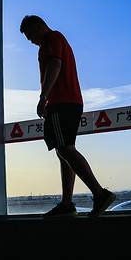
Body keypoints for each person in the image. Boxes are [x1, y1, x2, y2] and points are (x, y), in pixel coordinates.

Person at [20, 15, 116, 217]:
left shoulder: (51, 39)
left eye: (30, 36)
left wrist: (44, 97)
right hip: (71, 102)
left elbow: (55, 65)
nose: (31, 41)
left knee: (64, 148)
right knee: (63, 150)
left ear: (38, 27)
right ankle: (67, 203)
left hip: (61, 102)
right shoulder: (58, 39)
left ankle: (99, 194)